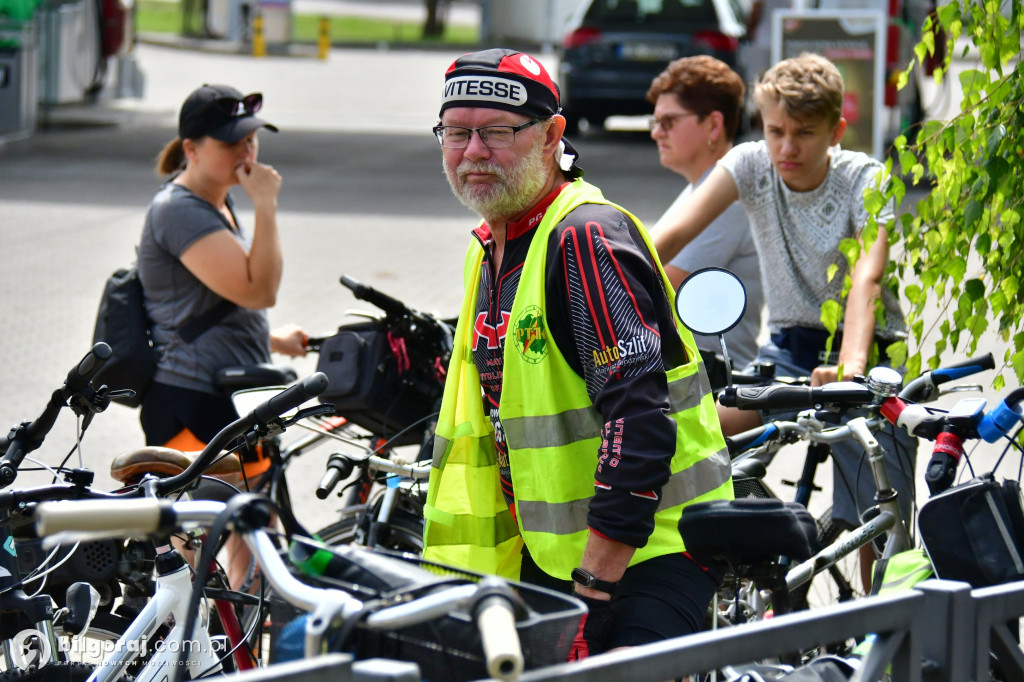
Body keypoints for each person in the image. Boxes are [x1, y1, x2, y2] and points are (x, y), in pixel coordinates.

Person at [420, 48, 733, 659]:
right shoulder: (489, 248)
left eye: (498, 132)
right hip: (552, 558)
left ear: (551, 137)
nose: (473, 151)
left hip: (650, 553)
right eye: (457, 132)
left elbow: (638, 420)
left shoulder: (584, 237)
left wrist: (594, 588)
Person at [651, 53, 916, 586]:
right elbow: (667, 241)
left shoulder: (866, 178)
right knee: (692, 438)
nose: (786, 148)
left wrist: (852, 367)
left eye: (804, 133)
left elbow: (867, 278)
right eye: (775, 131)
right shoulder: (750, 164)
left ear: (836, 130)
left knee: (875, 521)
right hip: (787, 350)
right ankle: (715, 582)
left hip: (867, 353)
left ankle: (875, 646)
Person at [137, 83, 307, 587]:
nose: (247, 151)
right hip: (191, 399)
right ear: (191, 148)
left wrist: (273, 341)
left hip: (224, 396)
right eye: (231, 142)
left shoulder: (215, 204)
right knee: (214, 548)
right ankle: (196, 657)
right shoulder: (180, 210)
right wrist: (267, 205)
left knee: (253, 540)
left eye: (251, 139)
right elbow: (259, 290)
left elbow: (209, 304)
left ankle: (235, 657)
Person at [647, 55, 764, 382]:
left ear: (713, 125)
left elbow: (652, 286)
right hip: (687, 377)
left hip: (719, 385)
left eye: (669, 121)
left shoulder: (729, 198)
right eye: (654, 122)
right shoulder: (698, 189)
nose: (657, 133)